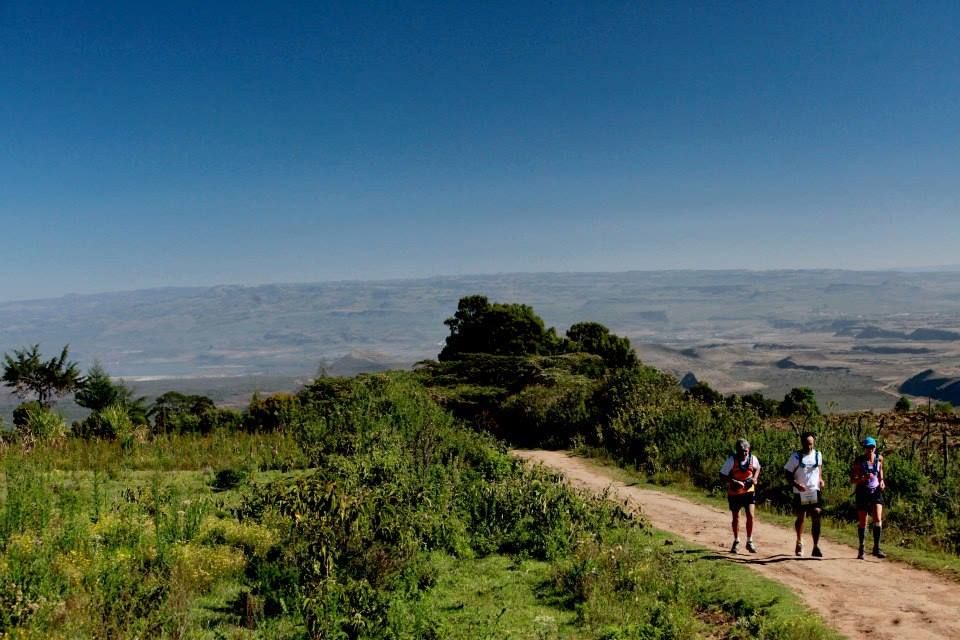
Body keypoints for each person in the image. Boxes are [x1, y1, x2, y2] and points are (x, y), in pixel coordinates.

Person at [784, 431, 824, 557]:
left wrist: (821, 480)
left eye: (811, 444)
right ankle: (799, 541)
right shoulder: (795, 456)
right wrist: (796, 485)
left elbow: (819, 469)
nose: (809, 446)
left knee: (817, 513)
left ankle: (816, 546)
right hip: (800, 492)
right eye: (807, 444)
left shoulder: (818, 454)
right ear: (802, 443)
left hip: (814, 490)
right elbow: (787, 474)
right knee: (801, 516)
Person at [719, 438, 761, 553]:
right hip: (735, 492)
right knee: (736, 517)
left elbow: (758, 468)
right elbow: (722, 475)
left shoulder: (753, 458)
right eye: (741, 451)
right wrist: (733, 481)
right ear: (737, 451)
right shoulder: (731, 460)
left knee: (751, 515)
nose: (744, 453)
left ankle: (749, 541)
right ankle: (736, 540)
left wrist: (754, 479)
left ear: (749, 450)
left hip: (749, 490)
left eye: (746, 451)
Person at [851, 436, 885, 559]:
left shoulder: (879, 458)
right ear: (864, 448)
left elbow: (880, 470)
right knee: (863, 521)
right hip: (862, 491)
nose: (870, 449)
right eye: (868, 447)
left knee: (878, 518)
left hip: (876, 491)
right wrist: (862, 478)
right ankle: (861, 547)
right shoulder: (859, 461)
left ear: (875, 447)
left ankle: (876, 547)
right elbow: (853, 479)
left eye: (872, 447)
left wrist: (882, 481)